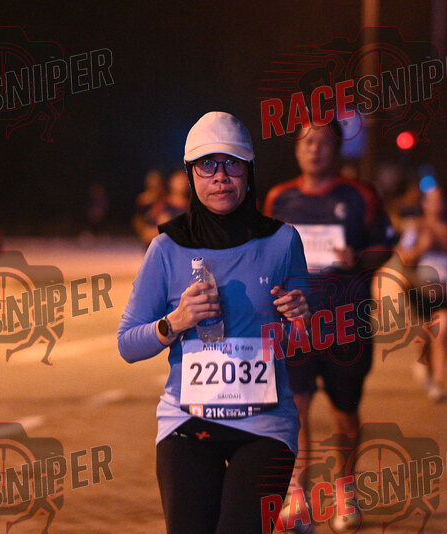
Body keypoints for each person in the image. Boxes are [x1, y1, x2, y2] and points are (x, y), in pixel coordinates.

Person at [118, 112, 310, 534]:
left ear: (249, 172)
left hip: (265, 425)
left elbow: (305, 338)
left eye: (232, 163)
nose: (220, 176)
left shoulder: (282, 242)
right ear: (190, 175)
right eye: (207, 165)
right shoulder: (166, 248)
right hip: (187, 422)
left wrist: (302, 318)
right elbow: (127, 343)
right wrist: (175, 321)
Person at [263, 119, 395, 531]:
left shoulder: (359, 195)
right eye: (306, 142)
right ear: (296, 149)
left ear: (336, 149)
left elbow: (385, 245)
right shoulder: (279, 198)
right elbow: (263, 252)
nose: (313, 149)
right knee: (296, 408)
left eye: (322, 142)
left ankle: (345, 490)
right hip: (295, 326)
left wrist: (358, 258)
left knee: (345, 413)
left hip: (347, 324)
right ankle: (297, 496)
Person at [397, 186, 447, 402]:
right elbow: (403, 256)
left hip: (446, 290)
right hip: (420, 291)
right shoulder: (416, 228)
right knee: (424, 338)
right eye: (431, 200)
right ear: (424, 204)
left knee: (442, 335)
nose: (436, 205)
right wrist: (421, 248)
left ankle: (439, 383)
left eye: (439, 200)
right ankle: (429, 373)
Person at [133, 169, 167, 245]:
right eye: (152, 184)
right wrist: (142, 232)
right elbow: (137, 219)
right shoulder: (143, 200)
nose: (155, 187)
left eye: (158, 184)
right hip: (148, 237)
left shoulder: (168, 200)